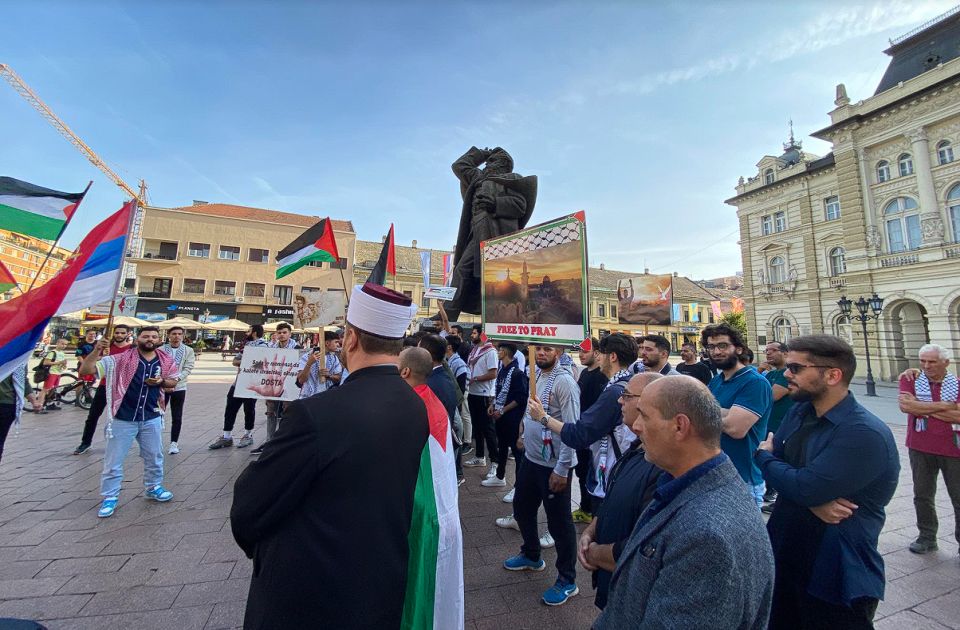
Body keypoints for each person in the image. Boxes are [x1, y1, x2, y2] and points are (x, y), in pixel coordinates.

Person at [230, 282, 428, 629]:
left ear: (351, 339)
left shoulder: (316, 414)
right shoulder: (414, 403)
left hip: (312, 593)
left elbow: (250, 506)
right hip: (379, 580)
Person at [597, 376, 774, 629]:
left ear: (680, 426)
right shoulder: (682, 483)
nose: (635, 426)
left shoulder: (708, 535)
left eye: (644, 416)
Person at [757, 335, 899, 629]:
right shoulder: (801, 410)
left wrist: (767, 459)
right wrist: (809, 495)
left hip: (833, 573)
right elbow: (801, 483)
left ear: (833, 375)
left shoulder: (862, 432)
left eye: (796, 368)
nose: (786, 373)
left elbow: (798, 482)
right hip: (786, 554)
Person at [577, 372, 663, 610]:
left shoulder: (664, 468)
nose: (619, 401)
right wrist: (592, 530)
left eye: (626, 395)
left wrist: (595, 553)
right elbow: (612, 498)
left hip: (633, 597)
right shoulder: (636, 449)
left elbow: (644, 549)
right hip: (612, 586)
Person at [504, 344, 581, 607]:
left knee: (559, 523)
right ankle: (532, 554)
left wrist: (562, 468)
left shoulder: (565, 383)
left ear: (558, 352)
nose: (542, 354)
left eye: (547, 349)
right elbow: (530, 409)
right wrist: (523, 434)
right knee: (522, 508)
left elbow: (572, 429)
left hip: (555, 466)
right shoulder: (536, 375)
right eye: (538, 350)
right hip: (531, 460)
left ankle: (567, 579)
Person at [79, 327, 181, 518]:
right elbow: (86, 371)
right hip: (123, 417)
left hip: (151, 417)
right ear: (137, 339)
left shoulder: (165, 359)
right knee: (114, 461)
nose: (150, 339)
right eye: (145, 336)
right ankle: (110, 496)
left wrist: (160, 382)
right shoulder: (120, 359)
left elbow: (173, 381)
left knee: (154, 456)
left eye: (153, 336)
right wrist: (96, 351)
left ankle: (153, 487)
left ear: (159, 339)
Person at [397, 346, 465, 628]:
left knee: (422, 591)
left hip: (426, 518)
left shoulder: (410, 408)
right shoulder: (430, 398)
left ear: (405, 371)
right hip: (444, 509)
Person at [538, 334, 640, 518]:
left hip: (611, 475)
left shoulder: (615, 391)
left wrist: (543, 418)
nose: (598, 357)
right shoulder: (629, 383)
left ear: (612, 357)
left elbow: (579, 433)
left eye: (601, 353)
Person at [442, 146, 536, 321]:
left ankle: (497, 319)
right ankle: (448, 315)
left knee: (492, 276)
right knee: (462, 270)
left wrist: (495, 203)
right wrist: (483, 153)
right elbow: (459, 166)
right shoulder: (478, 179)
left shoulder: (511, 179)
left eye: (491, 161)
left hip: (496, 233)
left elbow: (520, 205)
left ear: (503, 164)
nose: (486, 165)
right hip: (476, 229)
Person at [897, 344, 960, 555]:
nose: (926, 366)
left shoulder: (958, 384)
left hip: (953, 450)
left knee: (958, 497)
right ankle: (926, 537)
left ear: (946, 363)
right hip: (920, 446)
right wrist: (945, 406)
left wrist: (922, 407)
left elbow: (958, 416)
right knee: (922, 495)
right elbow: (907, 406)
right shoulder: (910, 379)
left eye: (932, 361)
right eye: (923, 360)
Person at [702, 322, 772, 508]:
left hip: (743, 479)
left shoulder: (755, 382)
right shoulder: (717, 380)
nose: (716, 352)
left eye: (723, 346)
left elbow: (735, 428)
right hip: (714, 474)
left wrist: (702, 409)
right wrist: (726, 412)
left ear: (739, 349)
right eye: (711, 347)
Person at [73, 325, 134, 454]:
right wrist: (99, 351)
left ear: (128, 334)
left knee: (123, 417)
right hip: (104, 385)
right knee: (93, 415)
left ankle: (121, 443)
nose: (119, 335)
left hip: (123, 387)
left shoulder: (132, 349)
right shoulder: (106, 348)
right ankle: (85, 442)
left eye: (122, 333)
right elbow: (89, 364)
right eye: (117, 332)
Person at [209, 325, 269, 450]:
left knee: (249, 408)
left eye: (249, 330)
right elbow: (235, 361)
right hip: (238, 382)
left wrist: (247, 362)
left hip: (252, 383)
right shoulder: (247, 345)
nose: (246, 332)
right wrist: (248, 361)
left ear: (254, 332)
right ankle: (226, 436)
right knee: (230, 408)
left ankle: (248, 435)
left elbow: (261, 364)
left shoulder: (264, 345)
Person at [483, 342, 528, 489]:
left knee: (517, 452)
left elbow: (521, 398)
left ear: (506, 352)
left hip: (512, 418)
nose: (497, 353)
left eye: (500, 350)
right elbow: (499, 391)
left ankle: (518, 486)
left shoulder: (517, 373)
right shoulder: (503, 371)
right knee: (501, 447)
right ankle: (499, 476)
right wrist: (493, 405)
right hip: (501, 417)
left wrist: (503, 410)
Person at [573, 338, 606, 522]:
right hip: (582, 433)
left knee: (594, 476)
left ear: (597, 352)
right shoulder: (584, 373)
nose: (581, 354)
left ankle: (595, 515)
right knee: (582, 472)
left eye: (585, 351)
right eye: (579, 351)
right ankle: (585, 509)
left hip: (595, 437)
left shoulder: (603, 375)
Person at [761, 340, 794, 508]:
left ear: (785, 353)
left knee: (781, 461)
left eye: (773, 350)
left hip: (782, 426)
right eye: (767, 350)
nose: (768, 353)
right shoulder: (771, 373)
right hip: (769, 425)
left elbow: (770, 396)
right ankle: (771, 491)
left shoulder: (786, 374)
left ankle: (778, 495)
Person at [463, 325, 499, 474]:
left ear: (483, 335)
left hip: (485, 395)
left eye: (474, 333)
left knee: (488, 430)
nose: (472, 335)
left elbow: (493, 373)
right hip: (473, 393)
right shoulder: (474, 350)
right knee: (477, 427)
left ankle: (495, 463)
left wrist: (476, 378)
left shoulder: (490, 352)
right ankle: (479, 457)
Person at [260, 322, 300, 452]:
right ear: (276, 334)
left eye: (284, 332)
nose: (282, 335)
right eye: (279, 333)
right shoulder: (271, 347)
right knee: (270, 410)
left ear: (289, 334)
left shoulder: (297, 348)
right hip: (274, 383)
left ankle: (284, 439)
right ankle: (269, 440)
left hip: (290, 384)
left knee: (287, 410)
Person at [159, 326, 195, 455]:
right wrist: (164, 381)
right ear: (169, 335)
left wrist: (176, 379)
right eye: (174, 333)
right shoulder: (161, 350)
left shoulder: (188, 350)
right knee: (158, 414)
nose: (177, 336)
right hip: (162, 386)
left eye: (179, 334)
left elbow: (188, 367)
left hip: (179, 386)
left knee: (177, 415)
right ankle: (156, 441)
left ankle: (174, 442)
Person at [0, 363, 39, 463]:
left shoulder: (19, 355)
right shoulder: (18, 353)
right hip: (7, 404)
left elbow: (23, 381)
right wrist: (34, 401)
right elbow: (23, 381)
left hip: (6, 405)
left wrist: (34, 401)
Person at [293, 330, 344, 400]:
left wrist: (329, 376)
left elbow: (338, 378)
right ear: (327, 343)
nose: (338, 345)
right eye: (336, 342)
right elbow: (301, 380)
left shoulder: (334, 358)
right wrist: (309, 363)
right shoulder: (307, 356)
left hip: (326, 398)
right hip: (308, 398)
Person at [35, 338, 68, 412]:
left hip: (58, 373)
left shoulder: (62, 353)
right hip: (51, 373)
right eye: (62, 344)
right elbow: (46, 363)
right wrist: (59, 363)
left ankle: (49, 403)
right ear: (58, 343)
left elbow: (62, 363)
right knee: (45, 389)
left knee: (53, 389)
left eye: (65, 344)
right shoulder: (52, 353)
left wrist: (63, 365)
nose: (64, 346)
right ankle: (39, 406)